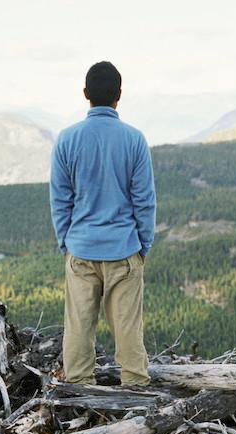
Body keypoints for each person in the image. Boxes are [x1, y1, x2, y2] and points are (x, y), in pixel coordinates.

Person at [50, 61, 156, 386]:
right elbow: (144, 201)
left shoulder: (66, 139)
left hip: (81, 250)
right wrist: (143, 246)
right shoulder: (134, 140)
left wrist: (66, 243)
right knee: (128, 331)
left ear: (85, 94)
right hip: (124, 250)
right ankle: (136, 396)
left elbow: (60, 199)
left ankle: (80, 394)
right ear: (119, 96)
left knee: (79, 328)